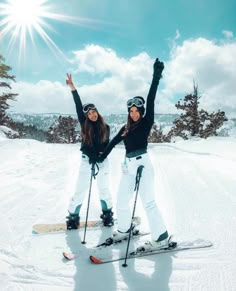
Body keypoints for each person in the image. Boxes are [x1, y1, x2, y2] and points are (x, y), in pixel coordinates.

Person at [98, 58, 169, 251]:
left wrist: (156, 76)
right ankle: (124, 228)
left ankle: (161, 236)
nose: (134, 113)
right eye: (131, 110)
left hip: (143, 164)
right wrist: (101, 156)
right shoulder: (126, 127)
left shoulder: (146, 122)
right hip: (128, 166)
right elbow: (113, 142)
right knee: (122, 200)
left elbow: (152, 97)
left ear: (142, 111)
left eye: (136, 110)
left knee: (148, 201)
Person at [65, 73, 114, 229]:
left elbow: (106, 146)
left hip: (102, 162)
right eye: (89, 114)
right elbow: (78, 106)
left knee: (104, 189)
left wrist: (100, 156)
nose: (92, 115)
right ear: (86, 116)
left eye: (94, 112)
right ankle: (73, 217)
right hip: (86, 161)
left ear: (97, 112)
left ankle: (107, 214)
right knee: (80, 190)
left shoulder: (105, 127)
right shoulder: (84, 124)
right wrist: (73, 88)